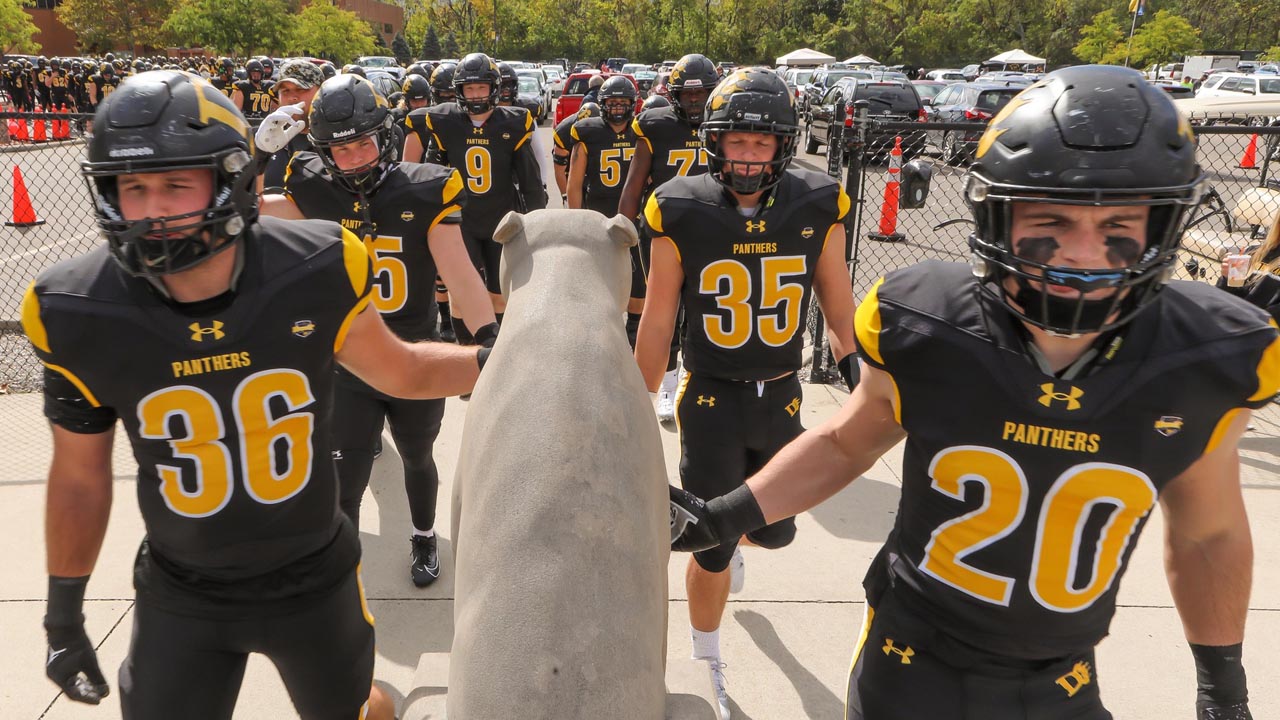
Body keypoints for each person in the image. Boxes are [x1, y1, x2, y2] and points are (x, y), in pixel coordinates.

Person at [668, 65, 1275, 720]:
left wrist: (1223, 688)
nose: (1082, 255)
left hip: (1061, 677)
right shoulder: (933, 324)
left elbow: (1209, 532)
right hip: (913, 659)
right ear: (998, 215)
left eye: (1118, 227)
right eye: (1050, 221)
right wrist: (724, 517)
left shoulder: (1196, 358)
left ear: (1161, 229)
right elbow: (847, 442)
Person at [23, 70, 487, 720]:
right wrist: (63, 612)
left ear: (229, 179)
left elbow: (403, 370)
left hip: (314, 577)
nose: (153, 208)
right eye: (132, 187)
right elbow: (78, 476)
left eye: (176, 183)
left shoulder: (315, 264)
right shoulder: (77, 307)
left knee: (358, 710)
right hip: (181, 588)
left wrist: (505, 359)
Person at [635, 67, 858, 720]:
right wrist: (630, 409)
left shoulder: (818, 203)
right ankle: (709, 658)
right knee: (711, 546)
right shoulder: (680, 207)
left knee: (769, 534)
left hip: (783, 397)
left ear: (783, 145)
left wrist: (864, 386)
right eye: (737, 141)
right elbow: (657, 322)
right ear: (715, 140)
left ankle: (733, 556)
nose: (748, 156)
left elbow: (840, 317)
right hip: (710, 398)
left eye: (762, 144)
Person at [259, 73, 496, 586]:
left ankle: (424, 533)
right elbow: (241, 215)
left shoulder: (425, 186)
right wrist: (259, 155)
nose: (355, 158)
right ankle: (339, 566)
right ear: (322, 151)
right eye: (340, 150)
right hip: (348, 360)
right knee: (345, 475)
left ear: (385, 135)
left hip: (416, 351)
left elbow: (458, 273)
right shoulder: (310, 187)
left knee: (417, 456)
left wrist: (488, 341)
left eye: (364, 142)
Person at [403, 52, 546, 333]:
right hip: (462, 220)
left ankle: (499, 350)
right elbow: (433, 174)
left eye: (481, 87)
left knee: (499, 292)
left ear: (494, 89)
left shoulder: (513, 122)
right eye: (470, 88)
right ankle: (469, 353)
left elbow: (531, 180)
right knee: (461, 292)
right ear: (459, 91)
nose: (476, 95)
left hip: (501, 218)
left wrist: (537, 220)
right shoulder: (445, 121)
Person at [621, 52, 720, 423]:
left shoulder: (725, 121)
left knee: (706, 306)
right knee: (664, 307)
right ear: (674, 95)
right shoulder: (655, 124)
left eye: (701, 94)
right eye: (688, 95)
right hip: (664, 232)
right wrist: (621, 229)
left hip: (713, 228)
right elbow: (634, 184)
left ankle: (699, 377)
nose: (695, 101)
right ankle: (666, 381)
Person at [255, 59, 324, 194]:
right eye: (285, 91)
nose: (292, 97)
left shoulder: (336, 140)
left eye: (301, 89)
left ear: (321, 91)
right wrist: (260, 156)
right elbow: (251, 204)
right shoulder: (263, 136)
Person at [551, 102, 600, 203]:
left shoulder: (605, 128)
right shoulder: (563, 132)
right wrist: (565, 197)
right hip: (571, 172)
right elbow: (559, 170)